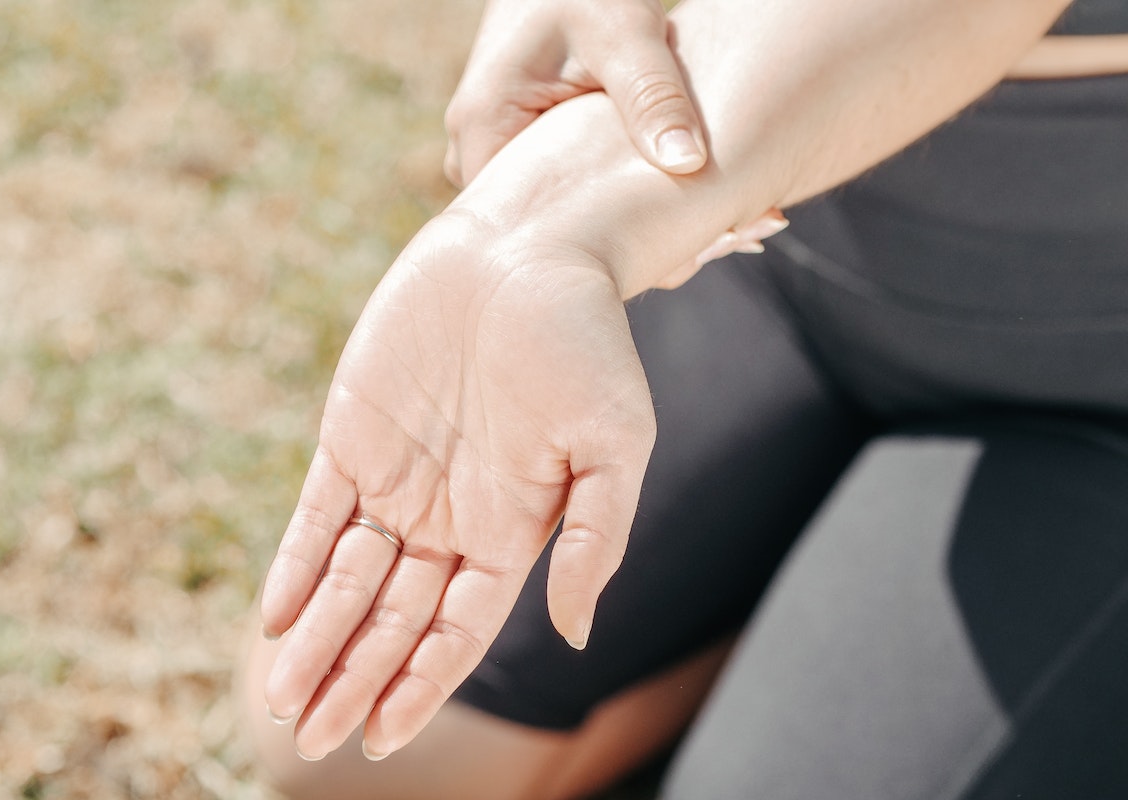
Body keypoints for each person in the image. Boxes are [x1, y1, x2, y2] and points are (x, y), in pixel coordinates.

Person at [238, 0, 1128, 797]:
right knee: (351, 747)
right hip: (776, 256)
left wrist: (563, 216)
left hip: (1088, 386)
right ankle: (771, 597)